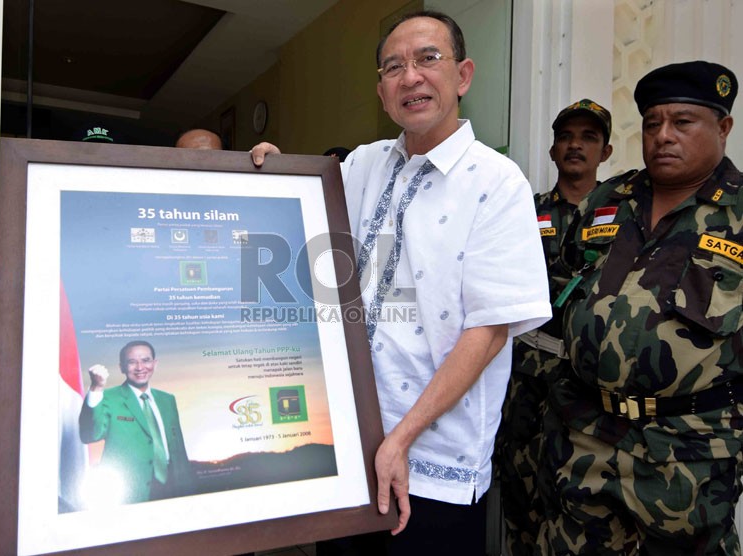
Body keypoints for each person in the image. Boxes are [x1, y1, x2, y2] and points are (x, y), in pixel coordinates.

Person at [251, 10, 550, 554]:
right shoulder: (362, 164)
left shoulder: (497, 183)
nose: (410, 76)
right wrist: (271, 170)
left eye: (428, 59)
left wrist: (402, 439)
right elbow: (302, 211)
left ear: (463, 76)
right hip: (349, 451)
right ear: (382, 93)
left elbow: (489, 332)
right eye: (394, 67)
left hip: (433, 464)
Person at [542, 61, 741, 555]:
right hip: (585, 439)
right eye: (653, 124)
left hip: (687, 454)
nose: (662, 136)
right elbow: (563, 287)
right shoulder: (609, 200)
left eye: (682, 123)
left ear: (723, 127)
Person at [495, 98, 613, 555]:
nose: (575, 145)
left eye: (588, 137)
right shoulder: (525, 211)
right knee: (521, 490)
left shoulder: (625, 216)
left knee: (584, 499)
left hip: (589, 383)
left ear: (604, 152)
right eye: (565, 137)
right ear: (552, 150)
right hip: (528, 375)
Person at [79, 340, 192, 504]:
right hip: (133, 491)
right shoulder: (107, 398)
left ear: (155, 363)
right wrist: (96, 387)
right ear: (122, 367)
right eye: (132, 362)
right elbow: (89, 435)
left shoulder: (168, 400)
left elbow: (179, 448)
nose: (140, 367)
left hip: (175, 487)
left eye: (146, 360)